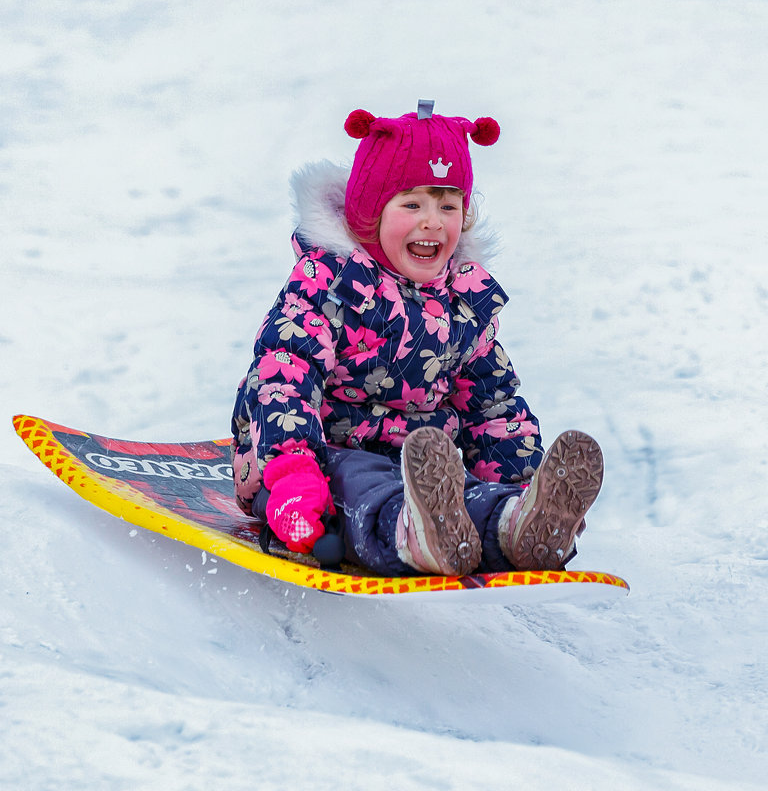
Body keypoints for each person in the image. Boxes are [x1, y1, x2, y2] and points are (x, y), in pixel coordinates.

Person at [229, 100, 604, 576]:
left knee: (473, 496)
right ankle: (414, 534)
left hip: (429, 471)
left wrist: (523, 484)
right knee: (362, 482)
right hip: (319, 466)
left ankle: (519, 527)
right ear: (369, 214)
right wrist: (293, 474)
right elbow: (284, 374)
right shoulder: (328, 282)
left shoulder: (463, 301)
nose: (433, 221)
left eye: (449, 206)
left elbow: (493, 405)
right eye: (412, 204)